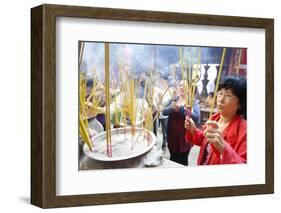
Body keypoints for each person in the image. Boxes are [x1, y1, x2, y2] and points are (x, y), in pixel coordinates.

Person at [184, 76, 247, 165]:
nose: (221, 100)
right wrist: (193, 130)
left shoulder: (244, 131)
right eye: (220, 93)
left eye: (228, 95)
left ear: (240, 104)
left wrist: (223, 149)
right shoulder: (215, 118)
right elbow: (204, 140)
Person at [162, 80, 200, 166]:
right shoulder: (174, 99)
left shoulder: (192, 102)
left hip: (185, 138)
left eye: (184, 86)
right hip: (172, 136)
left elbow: (197, 117)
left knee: (183, 161)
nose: (181, 88)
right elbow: (163, 111)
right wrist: (171, 108)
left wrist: (182, 109)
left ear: (189, 89)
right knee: (172, 158)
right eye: (180, 85)